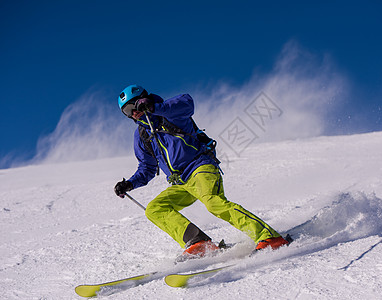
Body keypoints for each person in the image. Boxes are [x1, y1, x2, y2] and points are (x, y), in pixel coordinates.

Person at [114, 84, 289, 259]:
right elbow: (147, 168)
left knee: (213, 202)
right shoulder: (142, 135)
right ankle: (198, 242)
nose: (133, 113)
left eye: (133, 106)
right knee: (154, 209)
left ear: (144, 99)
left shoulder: (169, 112)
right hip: (180, 182)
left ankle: (269, 237)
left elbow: (187, 103)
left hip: (200, 168)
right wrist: (129, 183)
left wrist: (154, 107)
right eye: (127, 112)